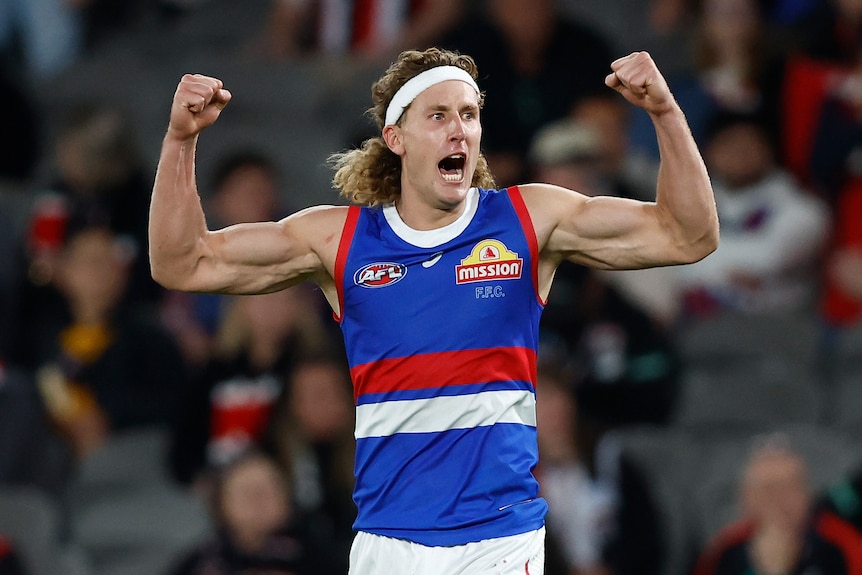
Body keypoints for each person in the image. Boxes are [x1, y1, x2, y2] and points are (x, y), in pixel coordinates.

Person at [149, 47, 718, 574]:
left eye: (469, 114)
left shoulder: (529, 221)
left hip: (500, 540)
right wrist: (179, 141)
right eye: (439, 115)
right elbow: (184, 264)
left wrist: (666, 113)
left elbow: (687, 235)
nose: (460, 130)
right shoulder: (340, 241)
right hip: (389, 544)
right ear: (395, 137)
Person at [691, 434, 862, 575]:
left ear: (807, 494)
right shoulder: (723, 550)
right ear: (746, 499)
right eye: (768, 489)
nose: (779, 500)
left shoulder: (844, 546)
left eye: (789, 486)